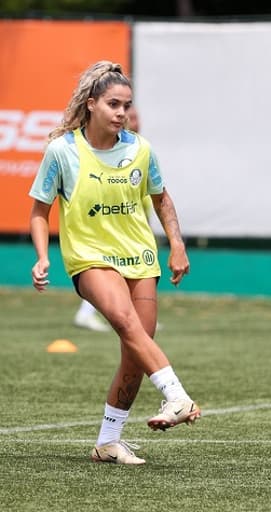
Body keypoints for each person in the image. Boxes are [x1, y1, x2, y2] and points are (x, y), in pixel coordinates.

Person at [29, 61, 200, 465]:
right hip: (89, 258)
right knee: (125, 322)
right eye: (113, 104)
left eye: (126, 105)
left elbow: (161, 199)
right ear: (91, 105)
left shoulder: (140, 149)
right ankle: (176, 395)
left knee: (136, 351)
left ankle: (108, 441)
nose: (121, 112)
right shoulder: (62, 151)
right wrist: (41, 256)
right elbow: (40, 209)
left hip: (140, 256)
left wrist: (177, 244)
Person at [72, 104, 142, 333]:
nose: (129, 118)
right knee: (112, 270)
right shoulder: (95, 150)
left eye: (132, 114)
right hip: (112, 226)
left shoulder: (139, 149)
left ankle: (136, 316)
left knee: (132, 270)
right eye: (128, 115)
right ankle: (88, 313)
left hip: (135, 222)